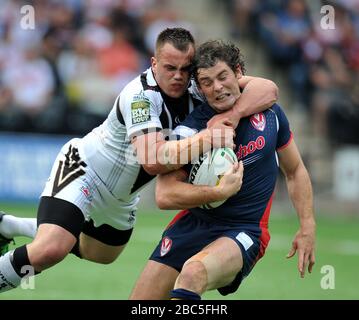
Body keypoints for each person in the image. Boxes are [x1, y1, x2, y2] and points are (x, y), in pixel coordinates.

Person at [0, 28, 278, 293]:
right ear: (154, 63)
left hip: (121, 198)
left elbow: (268, 89)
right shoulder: (140, 96)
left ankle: (11, 225)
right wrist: (208, 138)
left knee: (101, 254)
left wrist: (234, 114)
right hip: (85, 171)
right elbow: (152, 161)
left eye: (185, 69)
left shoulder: (198, 87)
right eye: (170, 68)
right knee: (51, 249)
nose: (179, 76)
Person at [130, 40, 316, 300]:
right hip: (193, 224)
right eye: (206, 82)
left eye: (222, 76)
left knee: (193, 274)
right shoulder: (191, 130)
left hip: (244, 228)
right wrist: (216, 192)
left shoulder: (271, 114)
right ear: (199, 87)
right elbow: (165, 195)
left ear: (238, 73)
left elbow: (295, 170)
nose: (217, 87)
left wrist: (307, 227)